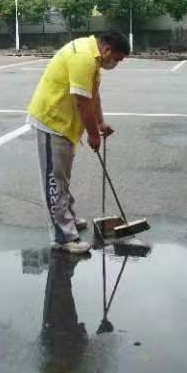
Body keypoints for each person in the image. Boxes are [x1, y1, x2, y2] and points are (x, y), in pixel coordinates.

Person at [27, 31, 130, 253]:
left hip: (66, 124)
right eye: (117, 59)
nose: (117, 64)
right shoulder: (84, 58)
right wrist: (93, 135)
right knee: (55, 180)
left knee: (62, 176)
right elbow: (83, 103)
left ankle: (68, 217)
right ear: (107, 49)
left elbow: (93, 96)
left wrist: (100, 123)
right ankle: (63, 237)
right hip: (52, 120)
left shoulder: (94, 58)